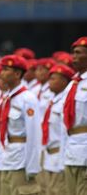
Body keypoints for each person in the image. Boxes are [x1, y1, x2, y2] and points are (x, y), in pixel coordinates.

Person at [0, 55, 41, 195]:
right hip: (6, 156)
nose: (1, 73)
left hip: (21, 159)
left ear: (17, 74)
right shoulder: (6, 98)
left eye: (6, 69)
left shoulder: (27, 98)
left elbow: (34, 134)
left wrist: (32, 166)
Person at [41, 64, 74, 195]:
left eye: (54, 78)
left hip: (60, 154)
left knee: (59, 191)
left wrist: (62, 161)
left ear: (64, 81)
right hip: (49, 155)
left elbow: (65, 131)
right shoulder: (53, 101)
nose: (50, 81)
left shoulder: (65, 102)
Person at [62, 36, 87, 195]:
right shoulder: (72, 84)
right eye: (73, 53)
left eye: (79, 53)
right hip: (71, 149)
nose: (74, 57)